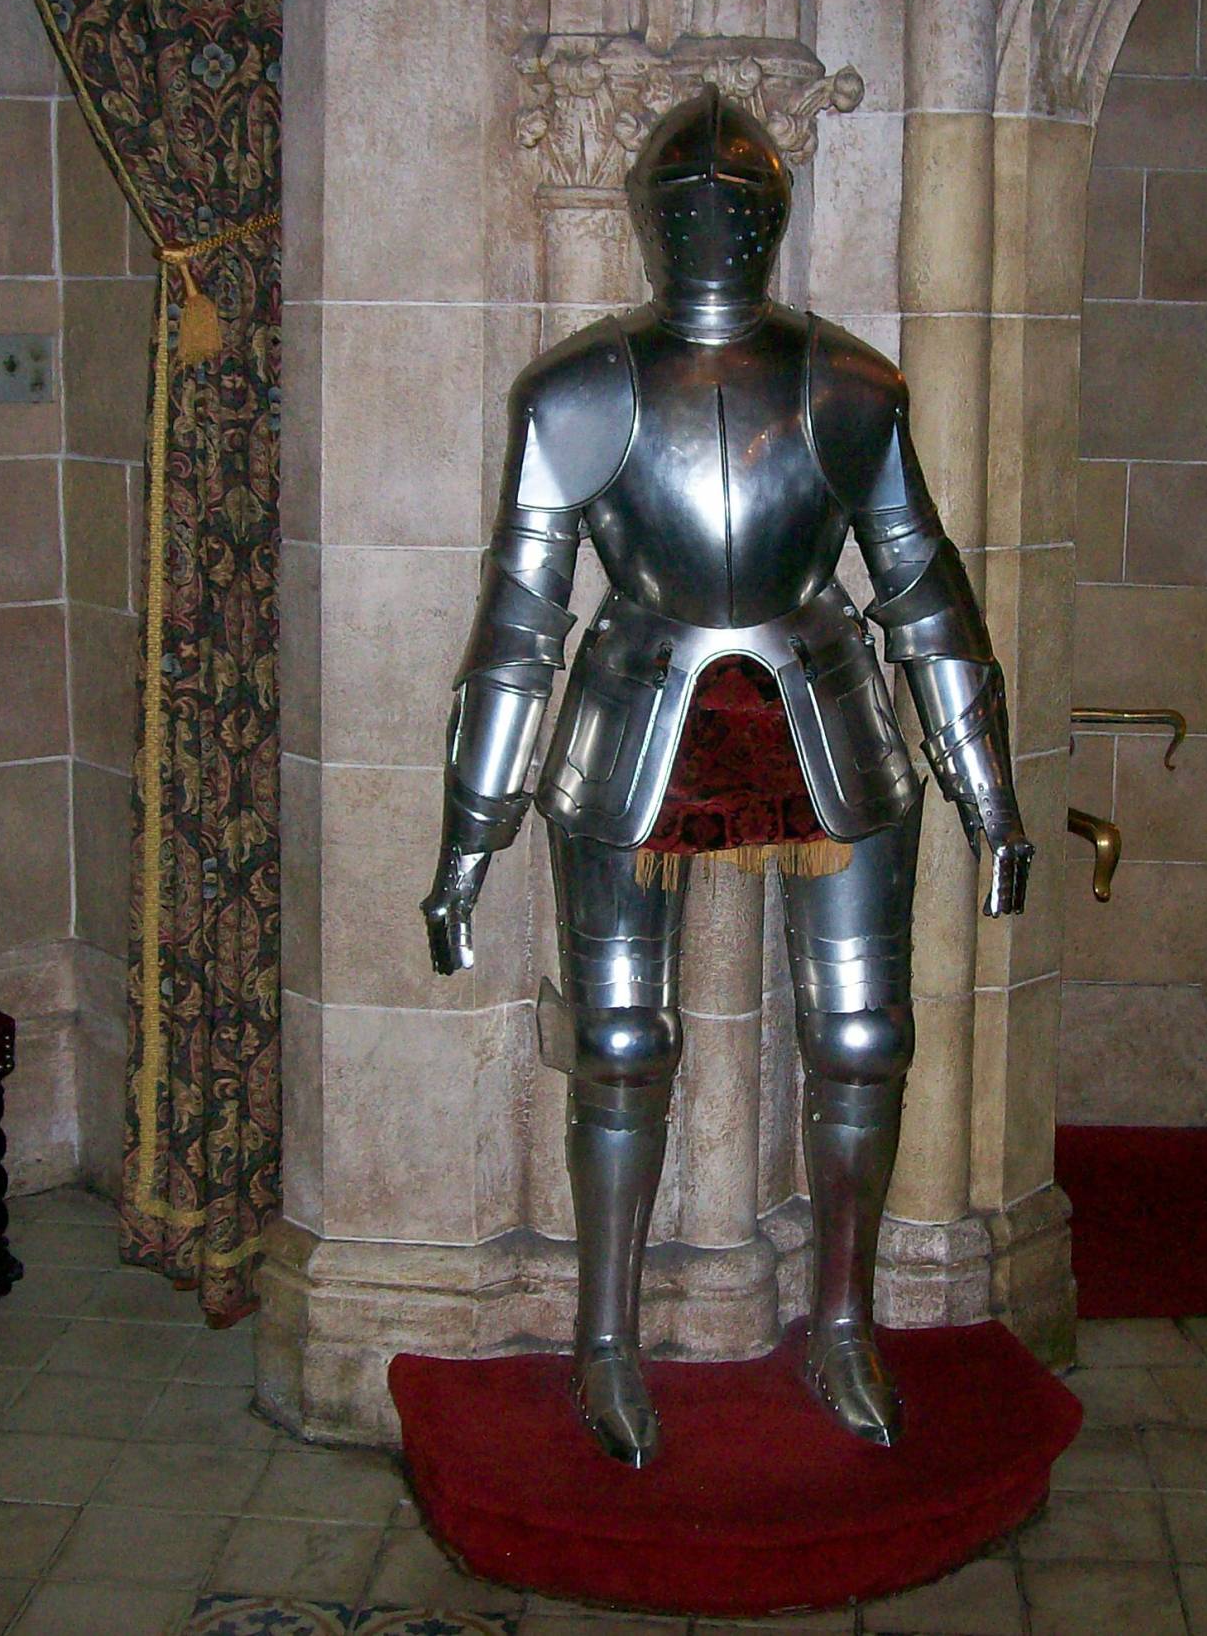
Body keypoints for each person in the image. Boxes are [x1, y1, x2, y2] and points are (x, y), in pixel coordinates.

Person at [421, 87, 1032, 1467]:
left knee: (865, 1036)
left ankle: (840, 1323)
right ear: (653, 219)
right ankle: (606, 1341)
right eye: (697, 205)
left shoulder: (850, 386)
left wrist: (988, 796)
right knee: (623, 1047)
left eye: (739, 206)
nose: (716, 227)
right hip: (640, 716)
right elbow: (520, 625)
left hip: (821, 717)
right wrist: (470, 837)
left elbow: (924, 595)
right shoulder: (579, 391)